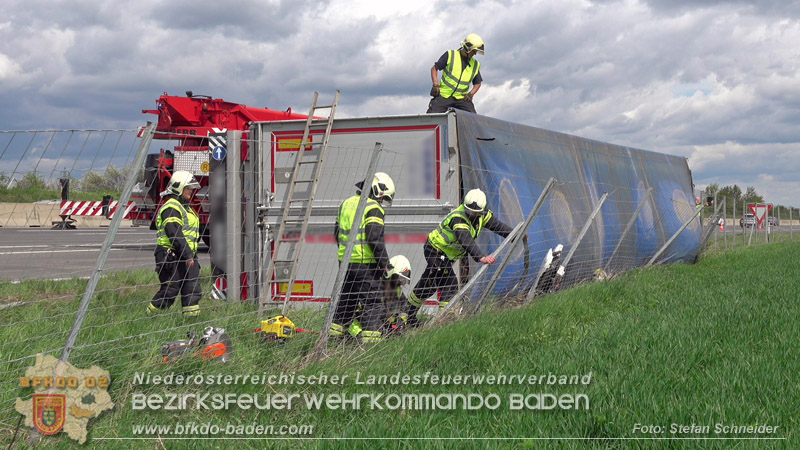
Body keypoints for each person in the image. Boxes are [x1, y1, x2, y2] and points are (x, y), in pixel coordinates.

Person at [406, 188, 520, 323]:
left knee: (429, 285)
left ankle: (410, 315)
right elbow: (465, 239)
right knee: (449, 284)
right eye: (468, 211)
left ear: (481, 212)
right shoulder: (458, 218)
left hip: (445, 255)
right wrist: (481, 257)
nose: (471, 214)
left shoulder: (482, 216)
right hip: (435, 250)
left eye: (474, 213)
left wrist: (516, 234)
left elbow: (497, 226)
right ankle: (443, 319)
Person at [330, 172, 396, 343]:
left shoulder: (345, 204)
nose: (382, 202)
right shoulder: (373, 208)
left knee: (346, 302)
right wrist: (386, 265)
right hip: (366, 266)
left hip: (345, 264)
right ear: (377, 191)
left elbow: (337, 234)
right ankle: (371, 345)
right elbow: (375, 239)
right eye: (383, 198)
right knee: (372, 303)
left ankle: (334, 340)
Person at [147, 171, 202, 317]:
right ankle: (151, 317)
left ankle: (191, 322)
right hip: (170, 254)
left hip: (187, 255)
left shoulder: (186, 207)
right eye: (188, 188)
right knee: (170, 290)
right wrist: (188, 254)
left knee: (192, 290)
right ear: (179, 187)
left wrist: (190, 255)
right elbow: (175, 234)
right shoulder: (171, 207)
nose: (191, 191)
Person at [347, 255, 413, 338]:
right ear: (390, 275)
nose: (400, 283)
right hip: (363, 330)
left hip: (382, 329)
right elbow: (350, 316)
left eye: (403, 280)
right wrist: (358, 333)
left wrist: (401, 321)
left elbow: (405, 308)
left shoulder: (396, 290)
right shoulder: (372, 288)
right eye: (399, 278)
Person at [427, 33, 485, 114]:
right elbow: (434, 69)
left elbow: (478, 83)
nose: (475, 54)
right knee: (432, 117)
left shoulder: (475, 64)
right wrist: (435, 85)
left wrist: (471, 94)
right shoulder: (450, 55)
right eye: (474, 51)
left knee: (473, 119)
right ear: (468, 49)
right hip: (444, 95)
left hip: (462, 99)